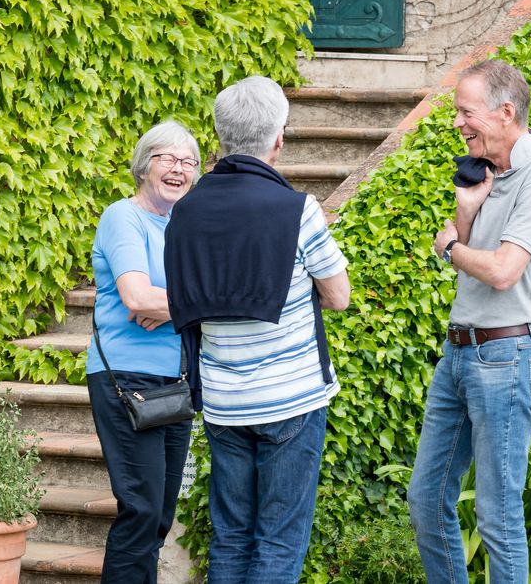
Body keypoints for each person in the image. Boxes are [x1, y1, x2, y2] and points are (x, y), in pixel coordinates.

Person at [163, 75, 351, 583]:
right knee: (278, 542)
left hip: (224, 403)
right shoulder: (298, 211)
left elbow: (189, 302)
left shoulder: (184, 213)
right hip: (291, 399)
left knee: (230, 536)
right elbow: (339, 296)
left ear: (221, 137)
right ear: (279, 138)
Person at [407, 59, 531, 583]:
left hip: (507, 356)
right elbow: (475, 260)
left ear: (505, 113)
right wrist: (466, 210)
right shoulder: (487, 175)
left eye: (465, 112)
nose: (458, 122)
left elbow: (501, 271)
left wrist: (450, 246)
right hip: (459, 349)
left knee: (498, 517)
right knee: (426, 501)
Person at [85, 120, 201, 583]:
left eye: (188, 162)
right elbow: (136, 297)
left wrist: (173, 304)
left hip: (176, 383)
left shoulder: (187, 227)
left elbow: (211, 298)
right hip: (127, 381)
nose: (179, 170)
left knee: (159, 516)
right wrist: (189, 303)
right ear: (143, 165)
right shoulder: (123, 216)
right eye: (167, 159)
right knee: (140, 510)